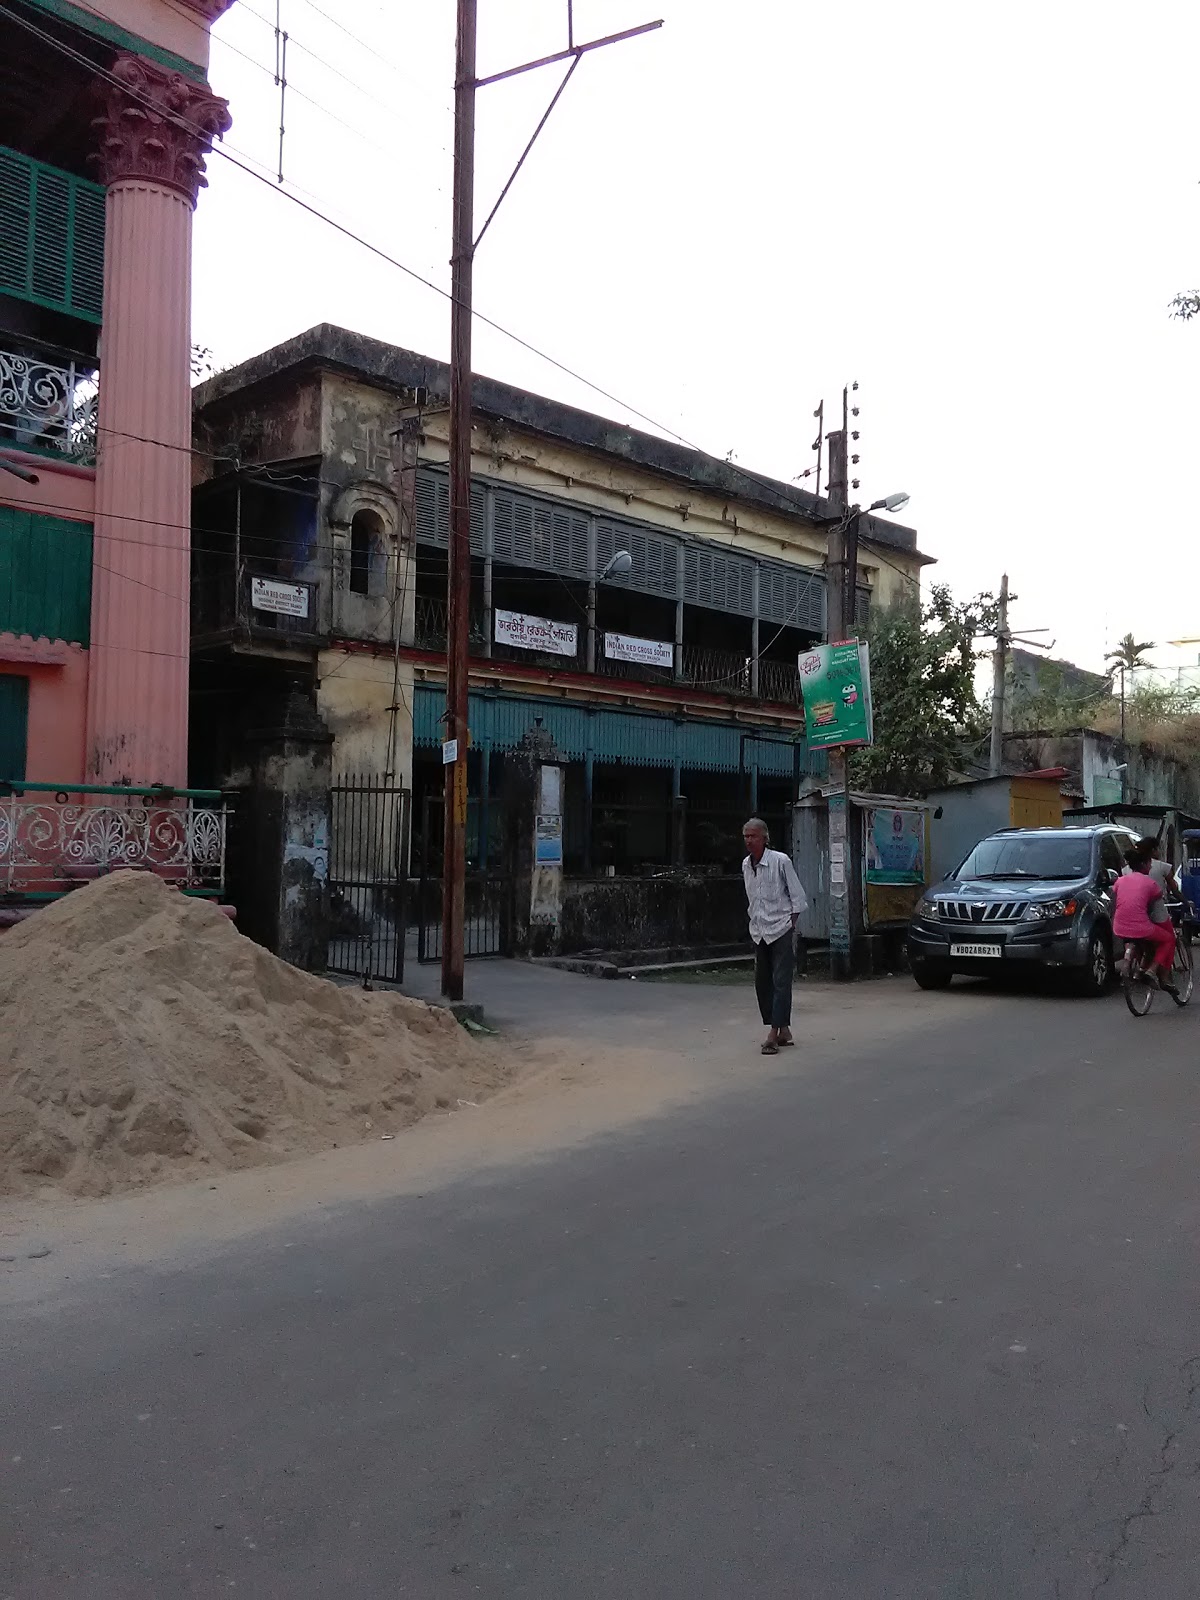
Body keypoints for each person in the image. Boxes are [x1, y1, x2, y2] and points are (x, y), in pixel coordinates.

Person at [742, 817, 808, 1055]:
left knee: (781, 981)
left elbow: (797, 896)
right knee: (763, 982)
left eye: (754, 836)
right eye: (747, 836)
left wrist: (790, 922)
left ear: (764, 838)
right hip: (759, 930)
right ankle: (785, 1029)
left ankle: (772, 1034)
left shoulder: (780, 861)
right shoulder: (745, 865)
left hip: (780, 928)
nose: (749, 841)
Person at [1113, 847, 1177, 990]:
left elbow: (1118, 893)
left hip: (1119, 926)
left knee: (1133, 938)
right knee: (1168, 939)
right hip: (1141, 927)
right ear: (1144, 864)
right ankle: (1151, 970)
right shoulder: (1150, 883)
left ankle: (1131, 959)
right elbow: (1157, 898)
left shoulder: (1120, 881)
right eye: (1149, 864)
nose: (1150, 867)